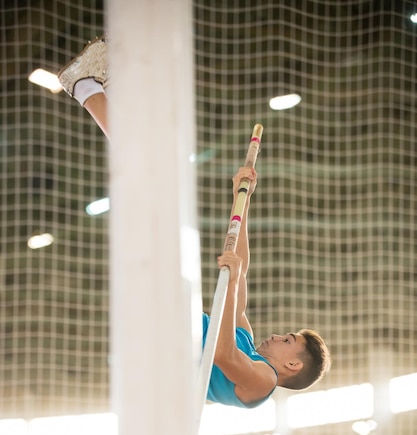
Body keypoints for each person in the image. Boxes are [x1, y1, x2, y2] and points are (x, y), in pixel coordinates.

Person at [57, 37, 332, 409]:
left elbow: (223, 355)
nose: (278, 335)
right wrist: (244, 198)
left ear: (293, 364)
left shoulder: (263, 382)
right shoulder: (248, 342)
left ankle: (86, 86)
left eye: (287, 340)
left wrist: (232, 284)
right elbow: (241, 269)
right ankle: (90, 88)